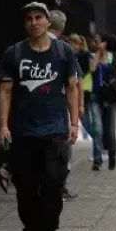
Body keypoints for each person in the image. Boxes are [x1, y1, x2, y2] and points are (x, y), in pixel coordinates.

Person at [0, 2, 81, 231]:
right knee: (26, 187)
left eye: (38, 17)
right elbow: (4, 90)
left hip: (55, 130)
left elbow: (72, 87)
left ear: (47, 22)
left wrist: (74, 122)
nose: (34, 22)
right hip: (23, 131)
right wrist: (3, 125)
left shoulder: (64, 51)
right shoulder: (14, 53)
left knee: (53, 184)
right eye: (29, 19)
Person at [47, 11, 79, 201]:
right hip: (57, 105)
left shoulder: (25, 47)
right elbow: (72, 86)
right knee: (61, 148)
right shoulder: (63, 49)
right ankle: (58, 186)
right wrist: (74, 121)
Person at [91, 33, 116, 171]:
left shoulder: (113, 57)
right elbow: (92, 69)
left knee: (110, 131)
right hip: (96, 97)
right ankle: (97, 160)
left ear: (105, 43)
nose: (95, 43)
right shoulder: (93, 55)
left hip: (110, 98)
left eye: (98, 41)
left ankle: (112, 155)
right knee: (97, 129)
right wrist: (98, 54)